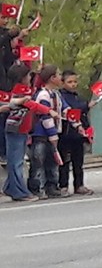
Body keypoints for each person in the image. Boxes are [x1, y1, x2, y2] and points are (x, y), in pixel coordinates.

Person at [2, 64, 50, 201]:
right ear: (22, 78)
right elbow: (30, 102)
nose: (31, 78)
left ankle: (11, 187)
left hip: (23, 129)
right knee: (16, 162)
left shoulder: (25, 89)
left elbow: (35, 89)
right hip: (16, 128)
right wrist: (47, 110)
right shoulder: (19, 91)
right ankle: (19, 192)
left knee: (16, 160)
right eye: (29, 75)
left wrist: (39, 74)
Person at [59, 70, 95, 195]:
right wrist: (86, 106)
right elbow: (71, 109)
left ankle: (79, 184)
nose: (73, 84)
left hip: (78, 134)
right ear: (62, 83)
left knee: (78, 161)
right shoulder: (61, 96)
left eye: (75, 81)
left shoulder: (77, 96)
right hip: (66, 133)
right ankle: (63, 185)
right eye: (69, 82)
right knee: (64, 161)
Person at [29, 65, 63, 199]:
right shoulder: (43, 95)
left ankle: (52, 185)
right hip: (41, 134)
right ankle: (37, 187)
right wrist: (52, 134)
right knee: (39, 161)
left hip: (52, 133)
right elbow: (45, 115)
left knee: (52, 161)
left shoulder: (56, 94)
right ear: (52, 78)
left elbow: (63, 108)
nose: (61, 78)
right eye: (58, 75)